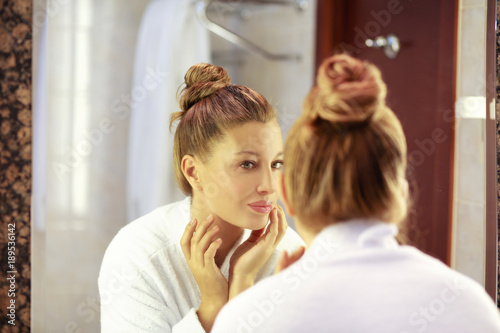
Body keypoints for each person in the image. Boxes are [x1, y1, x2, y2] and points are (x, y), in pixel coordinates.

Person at [211, 54, 500, 333]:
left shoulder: (245, 319)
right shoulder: (471, 306)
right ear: (400, 191)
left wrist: (275, 301)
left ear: (285, 192)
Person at [98, 63, 304, 332]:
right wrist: (212, 307)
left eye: (276, 164)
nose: (269, 186)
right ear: (194, 172)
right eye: (247, 164)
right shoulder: (138, 255)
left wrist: (242, 283)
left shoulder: (290, 255)